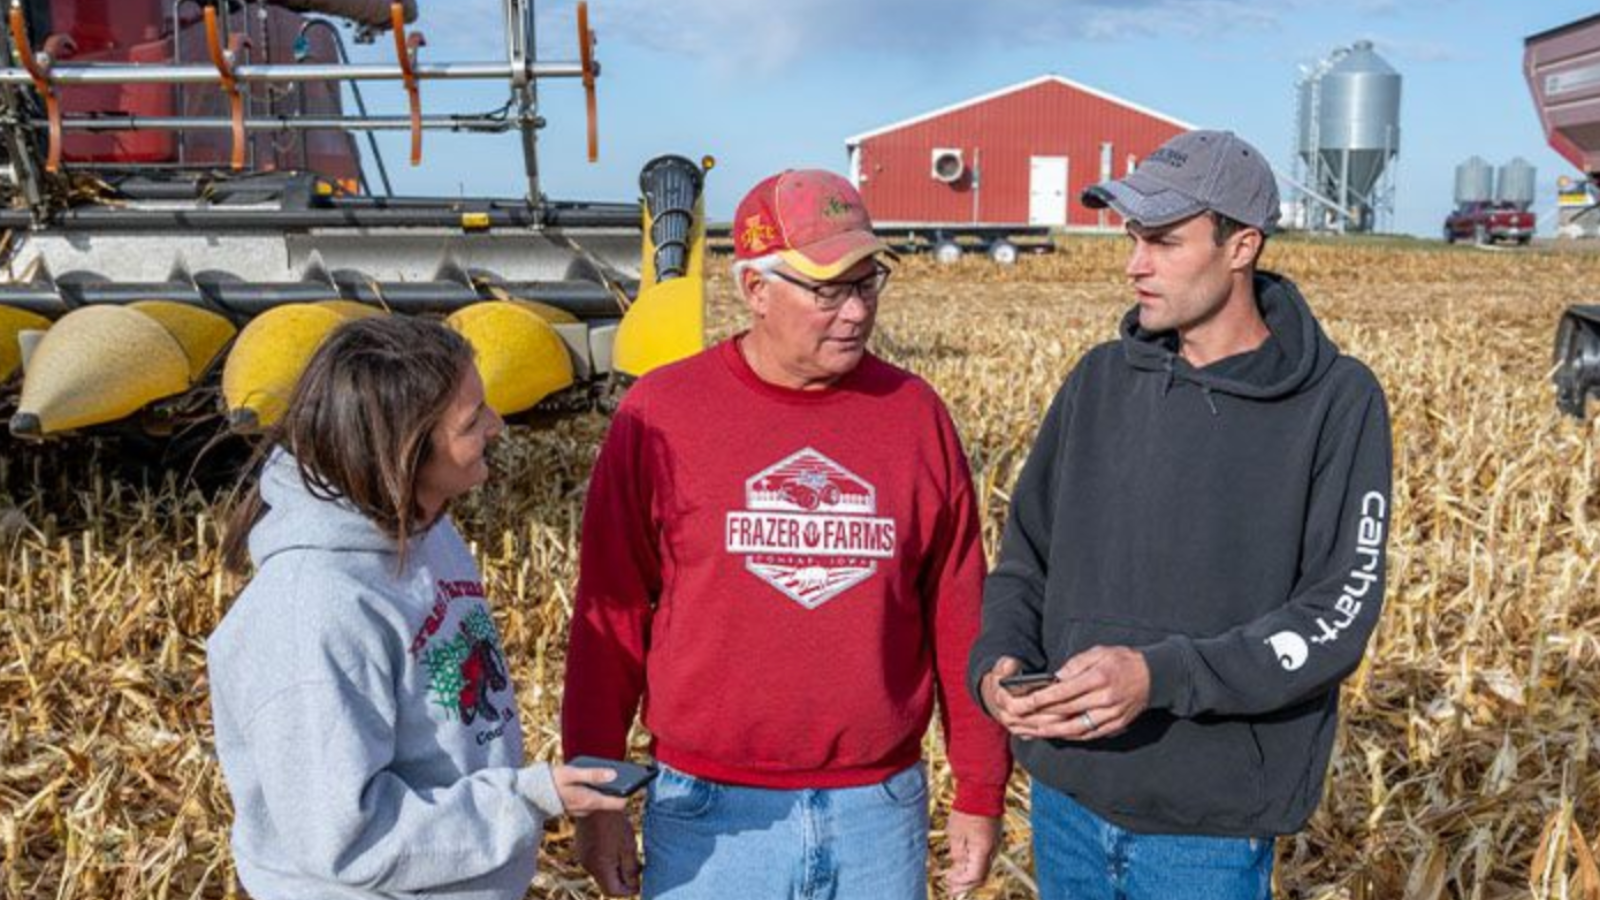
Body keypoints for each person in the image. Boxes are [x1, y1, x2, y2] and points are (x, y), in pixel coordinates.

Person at [563, 169, 1012, 899]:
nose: (855, 312)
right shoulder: (662, 415)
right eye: (827, 290)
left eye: (868, 283)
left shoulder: (913, 415)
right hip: (708, 813)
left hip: (880, 812)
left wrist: (981, 787)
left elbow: (960, 612)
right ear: (754, 288)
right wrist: (598, 793)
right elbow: (609, 617)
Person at [968, 130, 1393, 899]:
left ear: (1242, 246)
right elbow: (1024, 558)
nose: (1135, 264)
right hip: (1065, 801)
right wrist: (997, 664)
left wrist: (1161, 677)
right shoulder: (1098, 380)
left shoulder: (1335, 401)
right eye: (1133, 239)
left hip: (1208, 832)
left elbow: (1337, 615)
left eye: (1163, 241)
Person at [208, 315, 627, 900]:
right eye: (472, 418)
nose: (497, 426)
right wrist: (531, 799)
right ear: (404, 447)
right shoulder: (314, 611)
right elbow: (350, 840)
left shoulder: (426, 533)